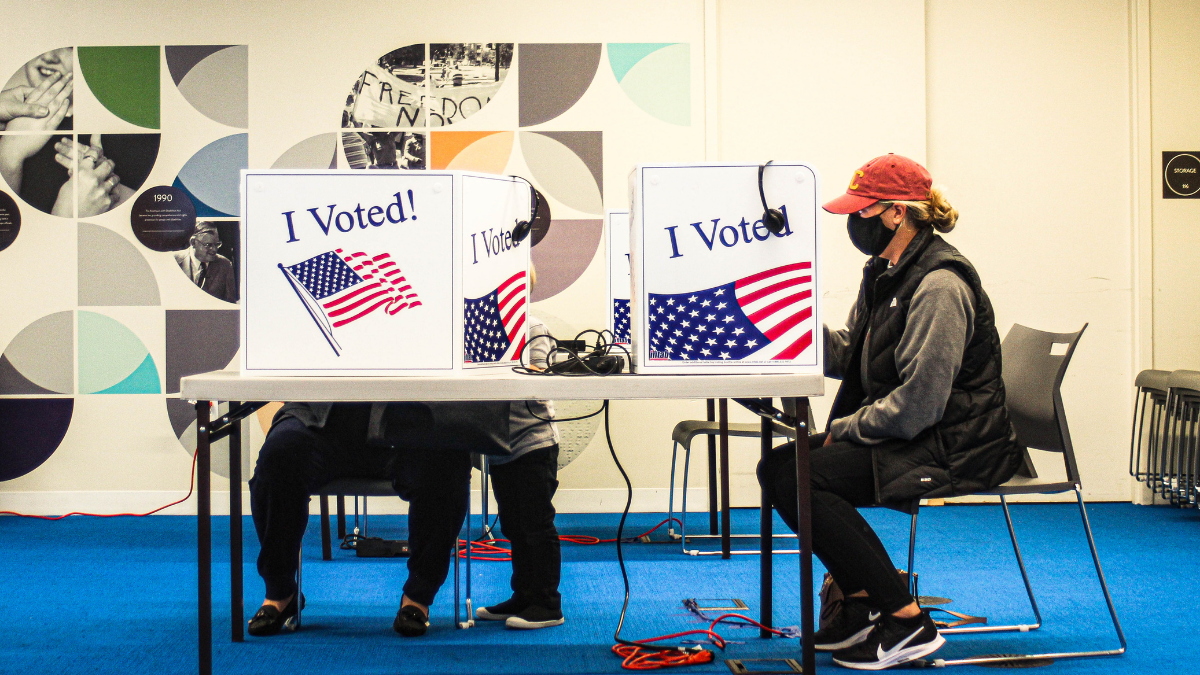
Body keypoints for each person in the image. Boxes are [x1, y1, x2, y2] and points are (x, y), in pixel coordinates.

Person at [757, 154, 1022, 670]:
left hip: (953, 444)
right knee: (776, 468)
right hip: (917, 431)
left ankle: (906, 621)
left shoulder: (939, 286)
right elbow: (855, 352)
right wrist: (790, 333)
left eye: (862, 211)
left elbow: (920, 404)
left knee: (803, 479)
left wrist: (845, 429)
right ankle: (858, 605)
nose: (853, 223)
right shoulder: (887, 272)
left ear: (897, 213)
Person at [247, 400, 511, 638]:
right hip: (321, 416)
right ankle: (281, 591)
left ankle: (418, 597)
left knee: (446, 463)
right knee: (278, 457)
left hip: (409, 417)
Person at [474, 309, 565, 629]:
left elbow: (539, 379)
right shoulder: (475, 324)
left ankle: (547, 604)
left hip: (533, 443)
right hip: (501, 448)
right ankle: (524, 596)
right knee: (514, 526)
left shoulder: (532, 326)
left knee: (536, 525)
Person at [174, 222, 237, 303]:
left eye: (217, 244)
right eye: (208, 245)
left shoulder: (225, 265)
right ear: (193, 242)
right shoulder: (174, 260)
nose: (214, 249)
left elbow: (230, 304)